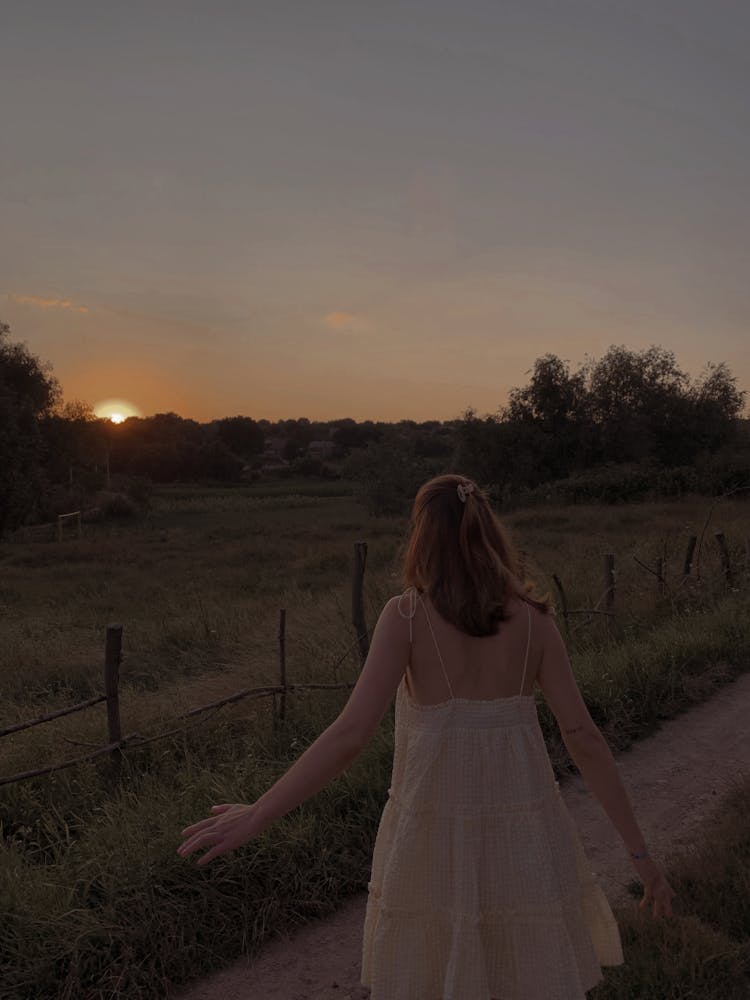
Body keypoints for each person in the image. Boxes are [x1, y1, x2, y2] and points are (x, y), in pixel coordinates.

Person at [178, 473, 676, 999]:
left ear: (422, 536)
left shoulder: (406, 617)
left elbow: (350, 734)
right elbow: (584, 738)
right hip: (523, 839)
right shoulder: (536, 623)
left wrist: (260, 812)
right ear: (489, 532)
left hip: (430, 848)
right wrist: (642, 860)